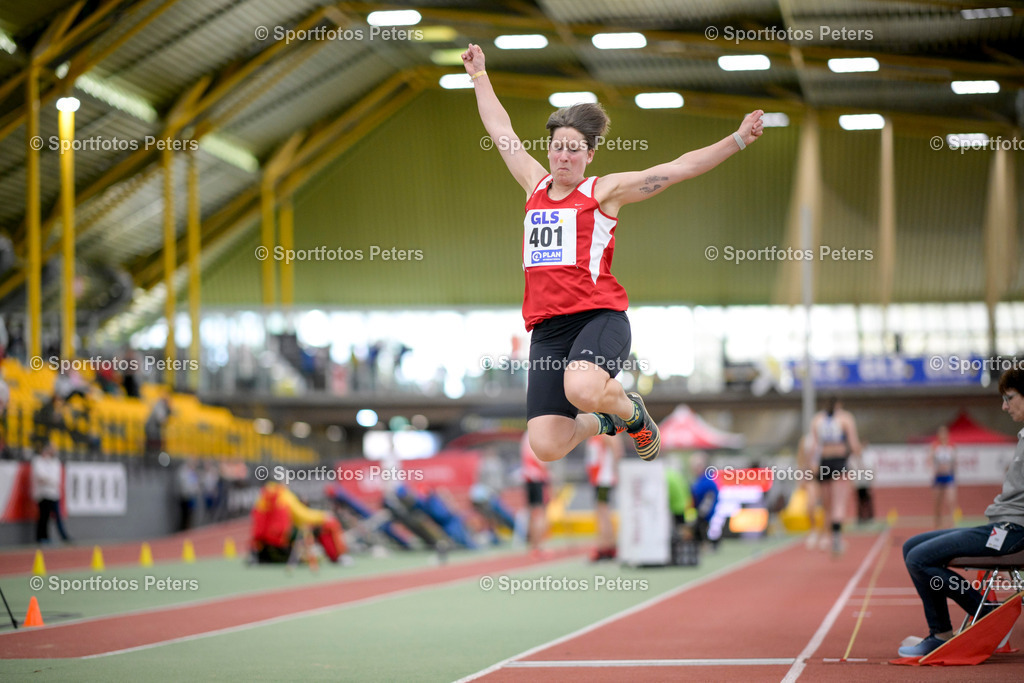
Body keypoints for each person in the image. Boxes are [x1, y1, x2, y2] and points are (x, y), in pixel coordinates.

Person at [462, 43, 764, 466]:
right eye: (558, 147)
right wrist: (479, 75)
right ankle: (607, 423)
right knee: (546, 445)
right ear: (549, 149)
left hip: (597, 318)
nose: (564, 156)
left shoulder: (603, 192)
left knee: (582, 389)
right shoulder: (533, 185)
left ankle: (633, 413)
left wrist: (736, 139)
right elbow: (500, 131)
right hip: (547, 331)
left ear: (589, 154)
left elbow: (678, 169)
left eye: (574, 149)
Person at [898, 369, 1024, 657]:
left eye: (1010, 398)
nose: (1004, 406)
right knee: (911, 547)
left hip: (1012, 532)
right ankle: (956, 625)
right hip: (1002, 526)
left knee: (919, 559)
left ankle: (975, 617)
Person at [808, 396, 862, 555]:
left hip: (823, 462)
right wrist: (859, 459)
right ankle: (836, 539)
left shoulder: (817, 419)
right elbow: (854, 444)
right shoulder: (845, 418)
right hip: (839, 461)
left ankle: (826, 536)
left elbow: (814, 447)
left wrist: (813, 466)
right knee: (838, 503)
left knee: (827, 503)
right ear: (839, 404)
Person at [585, 434, 622, 561]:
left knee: (603, 511)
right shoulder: (595, 432)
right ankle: (608, 544)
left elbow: (617, 451)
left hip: (604, 478)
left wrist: (615, 471)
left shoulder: (607, 432)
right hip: (597, 479)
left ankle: (605, 544)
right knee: (602, 510)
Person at [31, 440, 71, 543]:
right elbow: (40, 477)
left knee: (57, 516)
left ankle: (63, 536)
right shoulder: (38, 461)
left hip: (53, 494)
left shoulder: (55, 462)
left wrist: (48, 480)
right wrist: (49, 480)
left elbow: (55, 479)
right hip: (43, 494)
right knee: (44, 517)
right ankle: (41, 537)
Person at [520, 431, 550, 557]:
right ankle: (539, 546)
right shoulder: (538, 434)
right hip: (538, 478)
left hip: (528, 478)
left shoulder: (526, 436)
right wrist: (547, 471)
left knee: (533, 512)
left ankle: (533, 546)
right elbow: (539, 458)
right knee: (540, 513)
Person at [929, 425, 958, 529]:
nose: (943, 435)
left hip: (949, 476)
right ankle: (937, 523)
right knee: (938, 502)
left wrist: (952, 470)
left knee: (951, 500)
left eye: (944, 433)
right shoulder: (935, 446)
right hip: (938, 477)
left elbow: (955, 461)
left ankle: (952, 523)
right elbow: (930, 460)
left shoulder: (951, 446)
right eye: (941, 433)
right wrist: (935, 470)